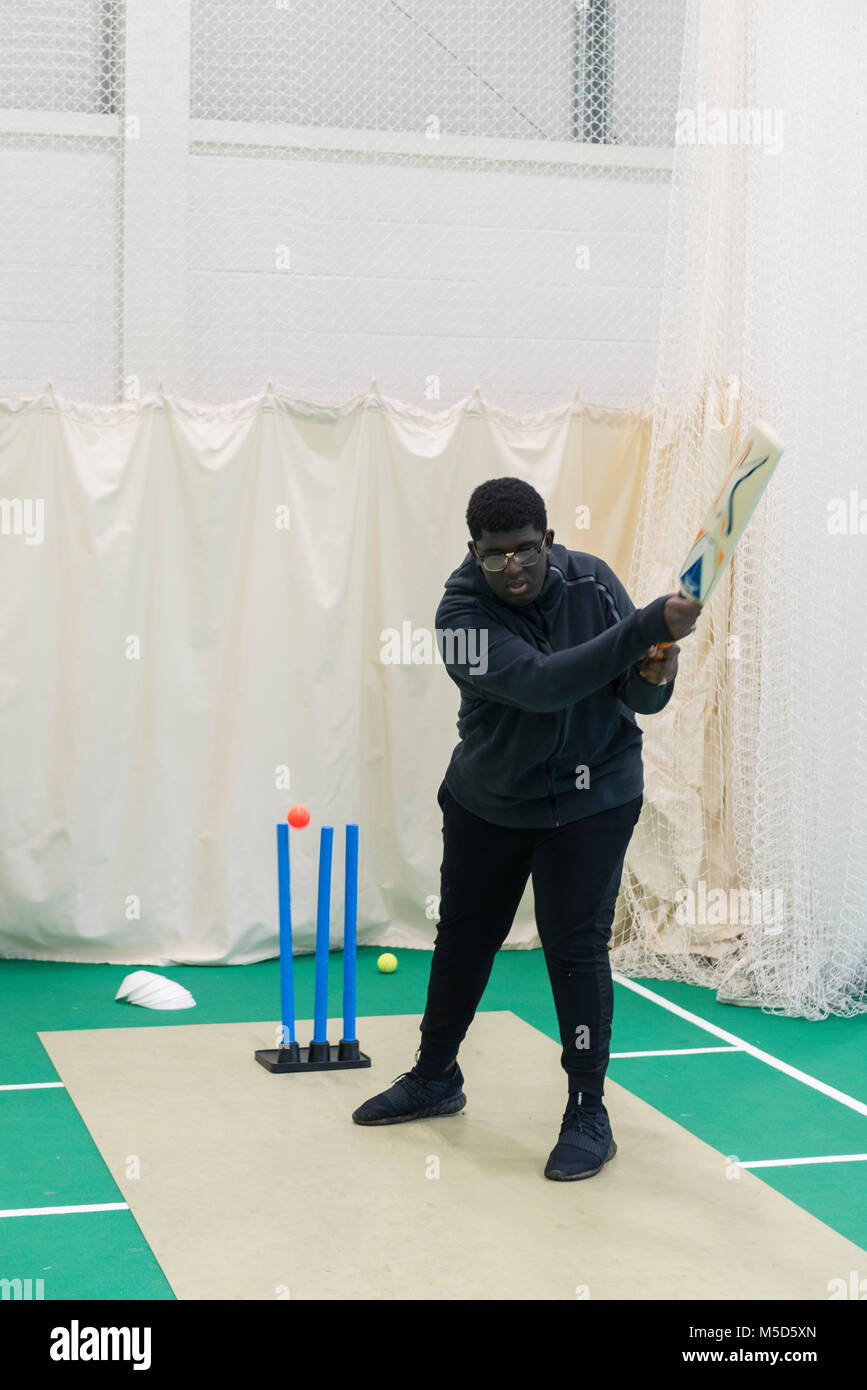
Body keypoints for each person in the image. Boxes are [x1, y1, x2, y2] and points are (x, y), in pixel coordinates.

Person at [353, 476, 701, 1181]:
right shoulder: (459, 617)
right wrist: (645, 628)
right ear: (472, 550)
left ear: (547, 540)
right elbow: (542, 686)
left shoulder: (593, 583)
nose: (510, 567)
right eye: (493, 554)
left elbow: (636, 696)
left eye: (523, 550)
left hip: (594, 795)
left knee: (574, 946)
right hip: (492, 800)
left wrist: (655, 668)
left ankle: (587, 1111)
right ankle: (434, 1076)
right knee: (464, 938)